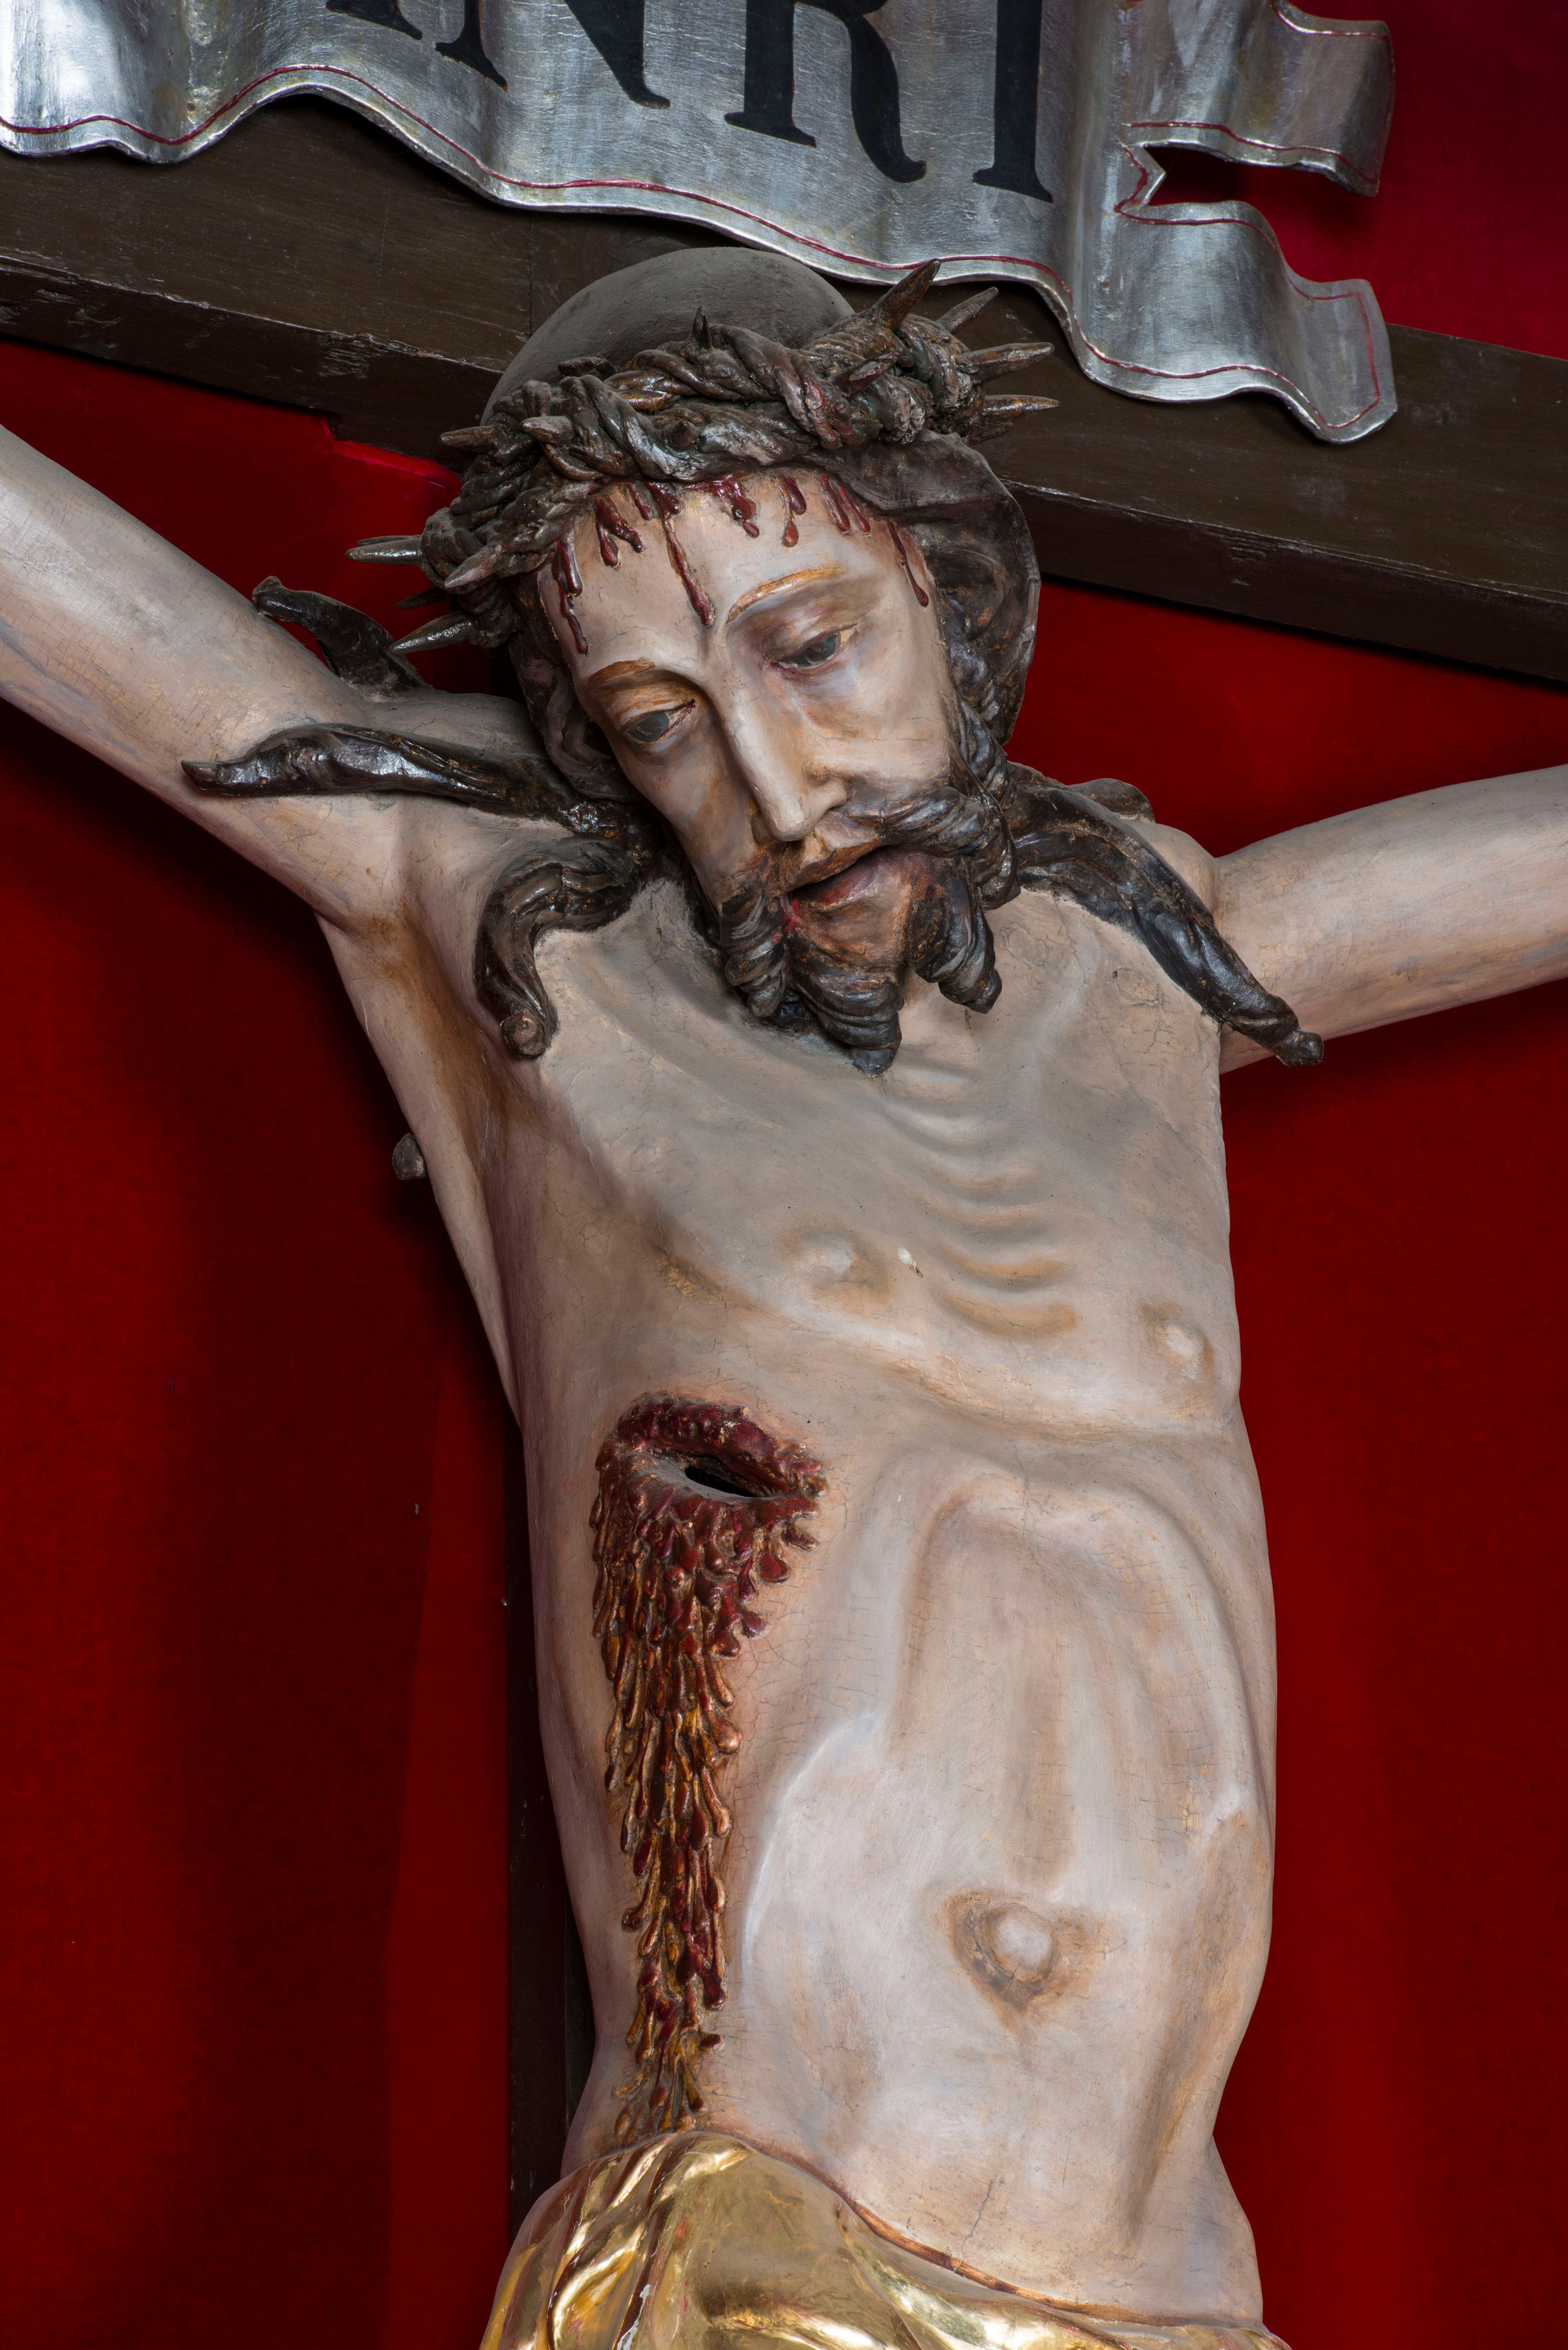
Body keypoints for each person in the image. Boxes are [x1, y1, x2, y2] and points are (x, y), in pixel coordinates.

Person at [1, 247, 1563, 2350]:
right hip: (762, 2251)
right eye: (660, 722)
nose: (774, 777)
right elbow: (122, 640)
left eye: (813, 644)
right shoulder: (528, 957)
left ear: (952, 585)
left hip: (1177, 2290)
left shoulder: (1156, 970)